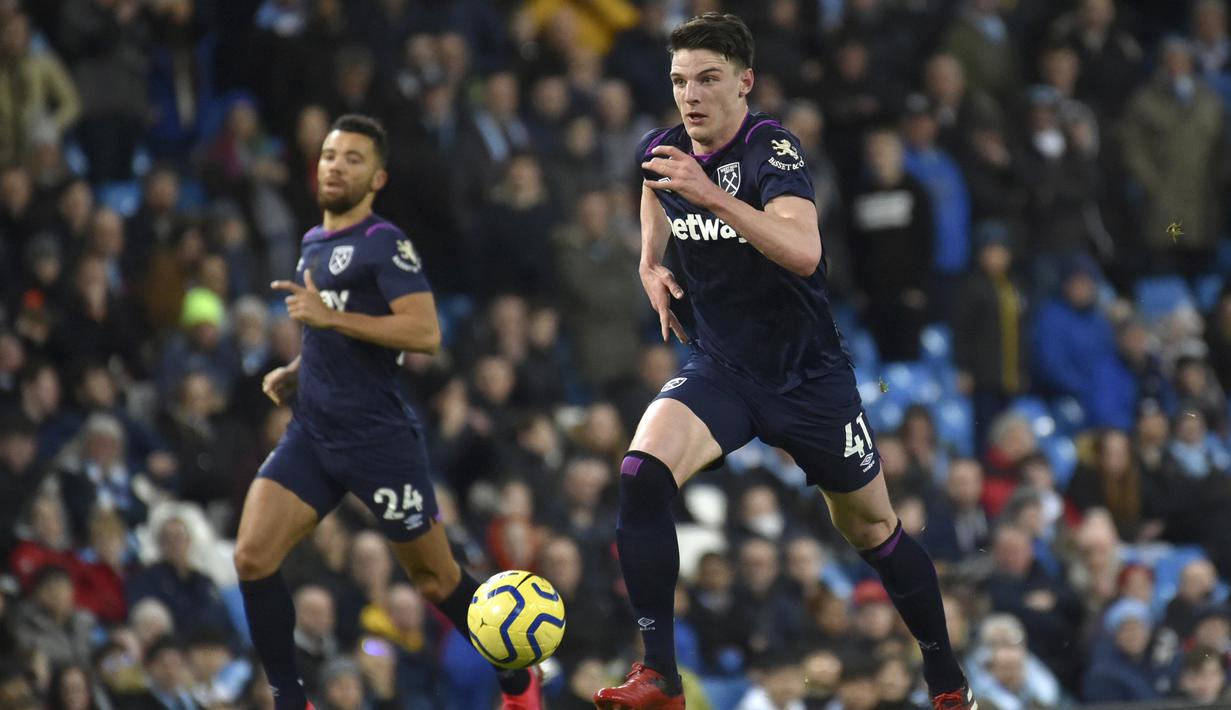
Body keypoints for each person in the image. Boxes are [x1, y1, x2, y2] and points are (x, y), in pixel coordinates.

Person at [592, 13, 974, 710]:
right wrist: (649, 263)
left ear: (744, 82)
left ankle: (946, 681)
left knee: (872, 531)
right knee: (639, 475)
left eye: (707, 79)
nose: (691, 96)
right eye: (679, 81)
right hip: (723, 371)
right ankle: (660, 678)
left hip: (807, 381)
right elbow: (654, 184)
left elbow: (802, 252)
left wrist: (708, 195)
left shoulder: (773, 149)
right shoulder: (665, 149)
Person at [231, 114, 541, 710]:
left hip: (379, 443)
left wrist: (328, 319)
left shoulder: (383, 243)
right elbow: (334, 334)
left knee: (438, 581)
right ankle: (292, 700)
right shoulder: (312, 243)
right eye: (329, 154)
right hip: (314, 435)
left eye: (352, 159)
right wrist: (300, 372)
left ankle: (519, 677)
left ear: (377, 178)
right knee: (251, 557)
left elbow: (424, 333)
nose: (335, 166)